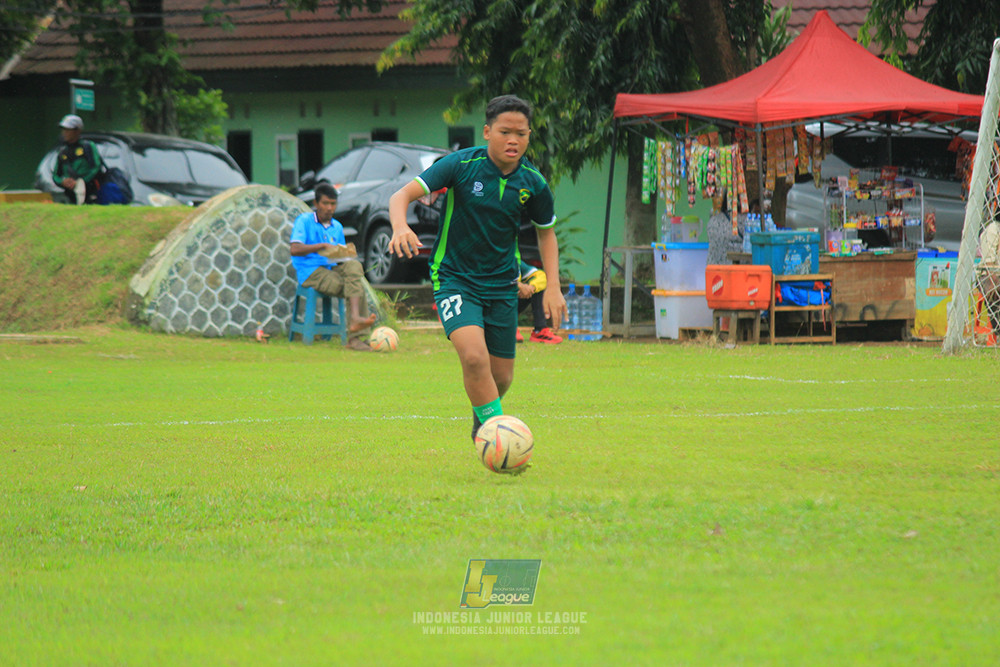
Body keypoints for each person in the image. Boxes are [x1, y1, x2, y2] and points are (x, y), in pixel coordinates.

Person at [388, 94, 567, 442]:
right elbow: (401, 196)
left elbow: (547, 235)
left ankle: (482, 420)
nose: (513, 140)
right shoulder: (460, 165)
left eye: (521, 133)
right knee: (473, 357)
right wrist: (399, 226)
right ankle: (499, 437)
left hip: (502, 284)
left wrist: (554, 288)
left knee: (502, 378)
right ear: (487, 131)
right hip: (455, 279)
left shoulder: (533, 182)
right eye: (504, 132)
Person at [289, 183, 377, 351]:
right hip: (310, 271)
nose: (329, 208)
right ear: (316, 204)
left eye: (333, 204)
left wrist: (346, 254)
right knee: (354, 287)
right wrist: (320, 246)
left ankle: (356, 321)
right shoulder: (304, 220)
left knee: (354, 267)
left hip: (331, 267)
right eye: (325, 203)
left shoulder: (337, 226)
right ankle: (355, 338)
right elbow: (295, 249)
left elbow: (340, 258)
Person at [52, 114, 102, 205]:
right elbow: (56, 175)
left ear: (77, 131)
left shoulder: (88, 147)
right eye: (64, 130)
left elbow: (96, 167)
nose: (64, 133)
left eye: (68, 130)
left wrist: (80, 182)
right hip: (70, 195)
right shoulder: (63, 151)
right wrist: (63, 182)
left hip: (90, 193)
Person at [516, 261, 562, 344]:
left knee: (538, 284)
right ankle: (508, 327)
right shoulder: (492, 257)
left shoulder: (515, 261)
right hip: (492, 303)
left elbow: (540, 275)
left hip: (511, 301)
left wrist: (531, 287)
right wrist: (518, 285)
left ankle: (540, 331)